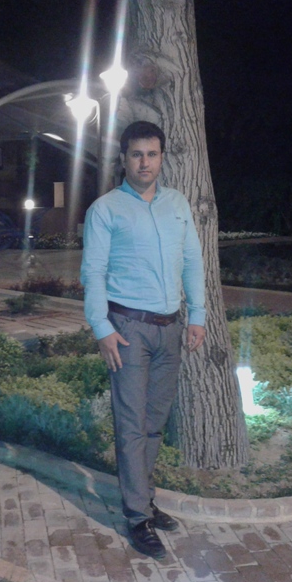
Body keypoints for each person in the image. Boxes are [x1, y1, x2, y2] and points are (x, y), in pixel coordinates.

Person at [80, 120, 206, 559]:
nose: (144, 162)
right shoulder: (106, 210)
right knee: (132, 425)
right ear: (123, 158)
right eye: (136, 154)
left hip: (171, 328)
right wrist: (102, 328)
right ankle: (137, 516)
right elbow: (93, 272)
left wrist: (198, 315)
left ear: (161, 157)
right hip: (127, 330)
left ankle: (145, 500)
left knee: (154, 423)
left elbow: (192, 260)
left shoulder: (177, 204)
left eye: (152, 154)